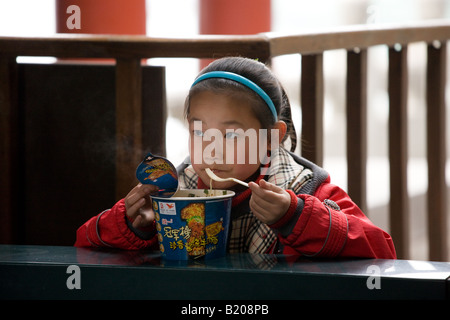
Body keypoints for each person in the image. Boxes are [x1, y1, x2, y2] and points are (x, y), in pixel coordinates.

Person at [75, 57, 396, 259]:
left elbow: (382, 251)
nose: (212, 150)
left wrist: (296, 216)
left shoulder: (305, 190)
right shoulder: (171, 190)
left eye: (231, 136)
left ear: (273, 136)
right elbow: (82, 245)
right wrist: (134, 227)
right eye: (200, 133)